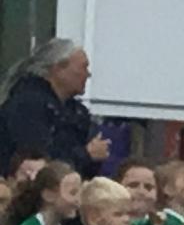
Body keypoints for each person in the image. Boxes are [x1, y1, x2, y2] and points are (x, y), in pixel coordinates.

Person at [0, 40, 109, 174]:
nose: (88, 74)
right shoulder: (26, 106)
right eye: (83, 67)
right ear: (59, 68)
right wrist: (86, 154)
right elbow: (36, 158)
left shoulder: (78, 112)